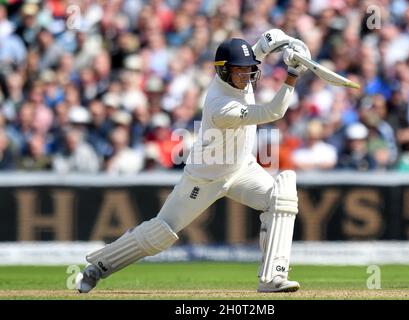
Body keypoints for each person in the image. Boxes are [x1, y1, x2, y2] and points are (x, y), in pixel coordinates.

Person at [75, 29, 311, 293]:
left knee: (282, 195)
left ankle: (272, 279)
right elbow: (273, 111)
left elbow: (259, 48)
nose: (246, 77)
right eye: (239, 71)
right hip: (204, 179)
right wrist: (293, 74)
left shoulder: (236, 74)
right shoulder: (222, 105)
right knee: (160, 235)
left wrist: (282, 42)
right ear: (224, 71)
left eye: (249, 70)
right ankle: (97, 267)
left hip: (242, 169)